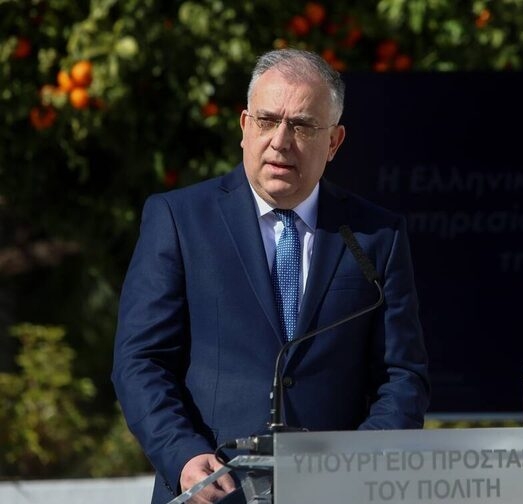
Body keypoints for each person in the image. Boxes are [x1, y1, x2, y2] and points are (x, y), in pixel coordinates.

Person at [112, 48, 431, 504]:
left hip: (334, 493)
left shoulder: (375, 236)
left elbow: (402, 377)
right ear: (245, 127)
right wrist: (183, 454)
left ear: (334, 142)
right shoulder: (180, 220)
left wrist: (358, 465)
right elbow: (140, 361)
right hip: (212, 491)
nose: (280, 141)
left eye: (301, 126)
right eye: (267, 121)